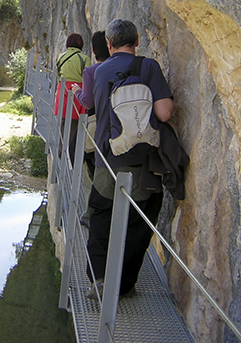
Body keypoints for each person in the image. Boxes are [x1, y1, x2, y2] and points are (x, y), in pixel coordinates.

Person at [87, 19, 174, 300]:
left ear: (109, 45)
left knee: (100, 216)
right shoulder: (149, 67)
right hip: (143, 164)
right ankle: (123, 285)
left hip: (107, 160)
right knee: (140, 222)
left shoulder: (99, 72)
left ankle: (99, 278)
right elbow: (164, 113)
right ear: (137, 41)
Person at [71, 31, 109, 226]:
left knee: (89, 173)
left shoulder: (92, 71)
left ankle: (89, 215)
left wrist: (77, 91)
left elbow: (87, 102)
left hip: (95, 128)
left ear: (93, 51)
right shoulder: (121, 69)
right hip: (118, 129)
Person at [54, 33, 91, 145]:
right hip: (77, 90)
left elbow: (58, 73)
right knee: (75, 122)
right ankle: (71, 152)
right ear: (81, 44)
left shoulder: (61, 57)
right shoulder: (84, 59)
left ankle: (60, 149)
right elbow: (88, 78)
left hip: (62, 89)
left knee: (63, 121)